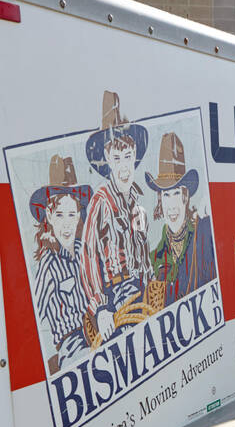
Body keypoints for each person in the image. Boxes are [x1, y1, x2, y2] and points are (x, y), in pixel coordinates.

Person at [81, 90, 152, 346]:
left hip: (138, 290)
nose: (124, 167)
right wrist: (100, 308)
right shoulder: (101, 201)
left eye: (128, 157)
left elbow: (141, 251)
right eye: (117, 158)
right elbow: (89, 256)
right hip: (115, 297)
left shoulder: (135, 201)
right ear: (107, 160)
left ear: (135, 158)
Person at [28, 155, 92, 372]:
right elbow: (34, 313)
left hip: (95, 332)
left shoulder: (83, 253)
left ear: (78, 217)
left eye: (71, 214)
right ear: (49, 216)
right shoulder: (48, 265)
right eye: (60, 215)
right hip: (72, 345)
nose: (66, 224)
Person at [146, 132, 217, 305]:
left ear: (185, 197)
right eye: (166, 195)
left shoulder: (203, 232)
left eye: (176, 193)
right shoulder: (157, 255)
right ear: (160, 201)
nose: (171, 206)